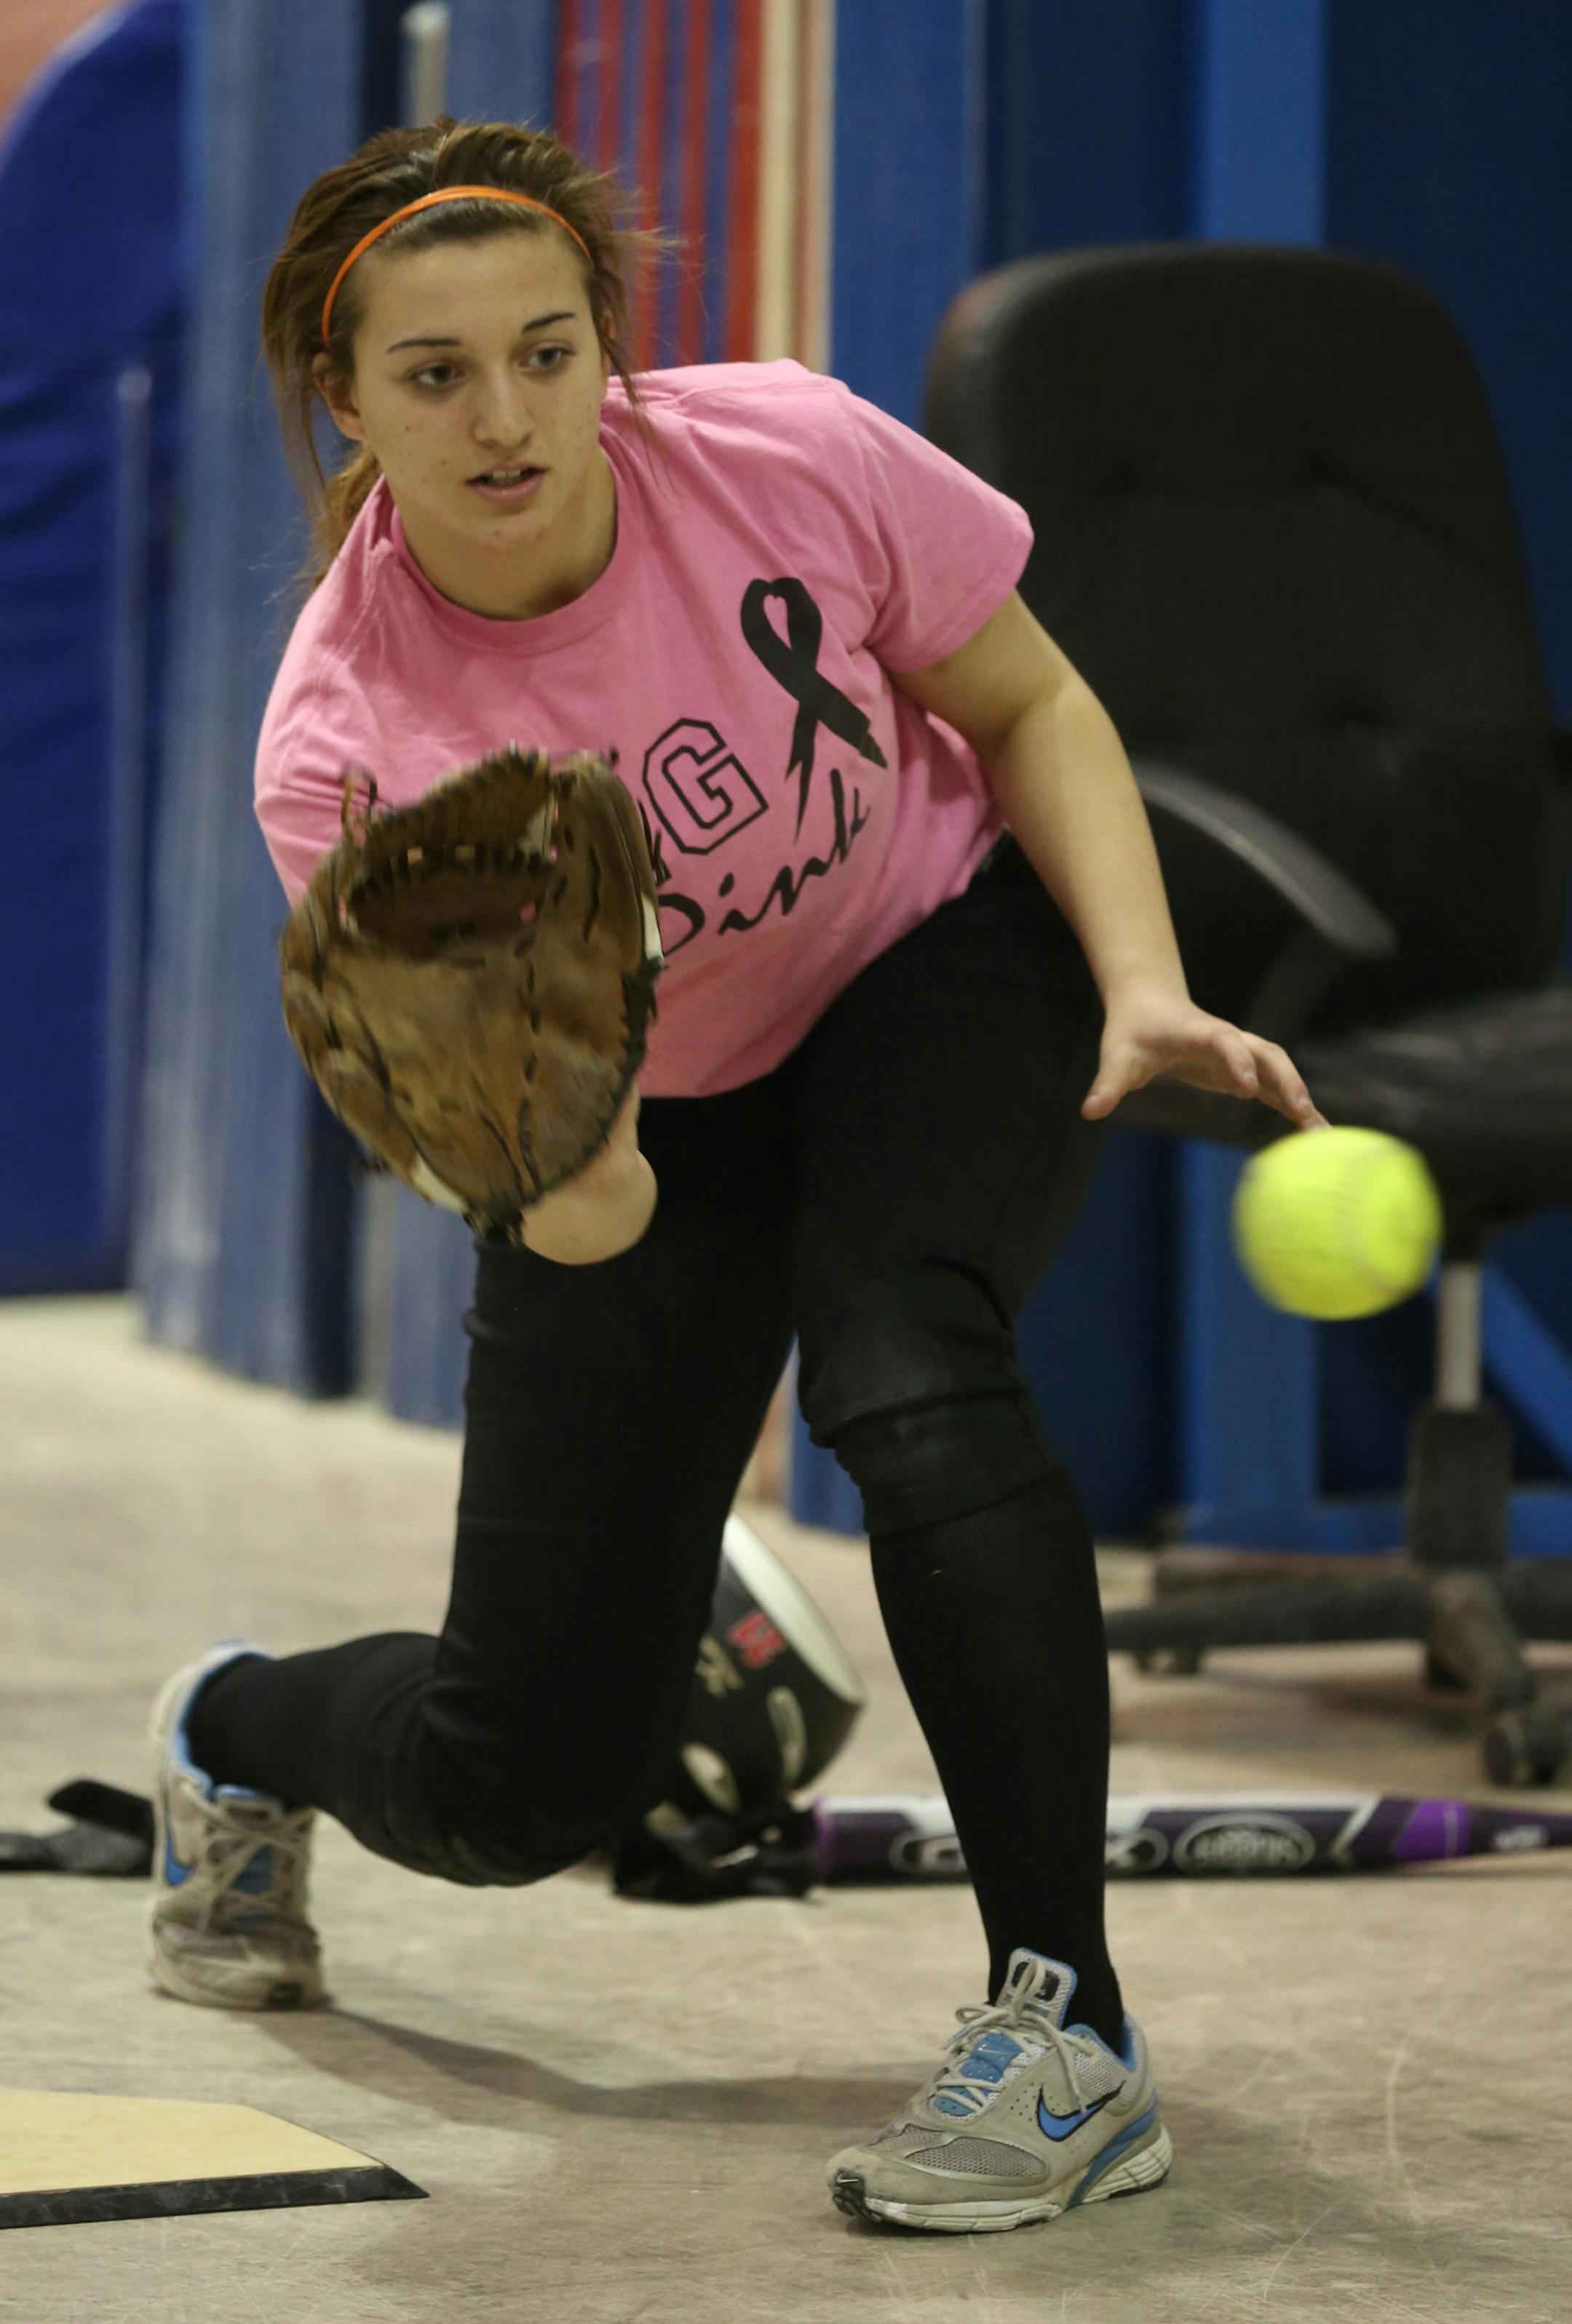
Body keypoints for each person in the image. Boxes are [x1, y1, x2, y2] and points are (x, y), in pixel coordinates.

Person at [146, 117, 1327, 2235]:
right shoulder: (348, 754)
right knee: (524, 1788)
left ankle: (1065, 2036)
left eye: (547, 349)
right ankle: (226, 1729)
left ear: (612, 342)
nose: (506, 417)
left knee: (906, 1366)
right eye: (434, 376)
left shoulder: (781, 451)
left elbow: (1035, 699)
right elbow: (551, 1197)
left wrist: (1139, 986)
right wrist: (584, 1152)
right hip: (644, 1134)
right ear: (347, 403)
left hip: (931, 957)